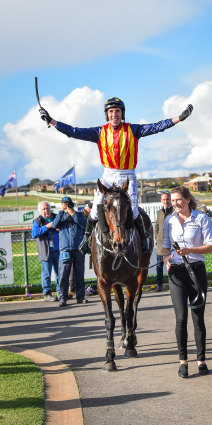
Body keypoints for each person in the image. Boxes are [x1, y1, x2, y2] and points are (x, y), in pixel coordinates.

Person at [39, 98, 193, 253]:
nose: (114, 114)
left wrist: (178, 118)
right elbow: (74, 131)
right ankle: (86, 239)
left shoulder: (133, 129)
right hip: (108, 175)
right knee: (94, 211)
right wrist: (52, 121)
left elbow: (156, 127)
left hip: (128, 175)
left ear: (122, 113)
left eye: (117, 111)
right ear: (107, 114)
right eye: (111, 111)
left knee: (133, 211)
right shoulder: (99, 131)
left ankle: (143, 239)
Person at [161, 186, 212, 378]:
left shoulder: (202, 218)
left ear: (187, 199)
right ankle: (183, 361)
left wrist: (190, 250)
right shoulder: (169, 220)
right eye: (173, 200)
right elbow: (165, 247)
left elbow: (211, 247)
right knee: (181, 318)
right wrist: (166, 259)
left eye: (179, 200)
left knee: (198, 318)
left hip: (196, 271)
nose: (175, 203)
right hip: (176, 273)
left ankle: (201, 361)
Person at [52, 196, 87, 307]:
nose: (67, 205)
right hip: (65, 250)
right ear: (62, 204)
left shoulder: (79, 215)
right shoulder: (60, 216)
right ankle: (62, 298)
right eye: (64, 203)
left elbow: (84, 224)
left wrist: (73, 213)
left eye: (68, 203)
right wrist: (62, 212)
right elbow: (54, 225)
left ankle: (80, 297)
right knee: (63, 276)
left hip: (78, 249)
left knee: (79, 274)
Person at [32, 201, 59, 301]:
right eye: (43, 209)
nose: (46, 210)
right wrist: (47, 226)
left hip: (58, 250)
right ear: (40, 211)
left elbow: (64, 228)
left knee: (59, 273)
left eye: (47, 208)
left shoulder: (56, 217)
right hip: (45, 252)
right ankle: (47, 294)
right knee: (46, 274)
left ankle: (60, 292)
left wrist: (59, 228)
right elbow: (34, 234)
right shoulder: (37, 221)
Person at [155, 191, 173, 292]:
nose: (166, 201)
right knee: (159, 266)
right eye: (164, 199)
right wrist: (156, 237)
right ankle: (159, 285)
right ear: (161, 200)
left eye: (167, 199)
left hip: (171, 244)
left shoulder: (174, 211)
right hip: (160, 244)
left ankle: (173, 285)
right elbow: (156, 225)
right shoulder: (159, 212)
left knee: (171, 265)